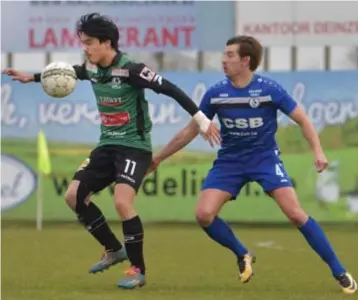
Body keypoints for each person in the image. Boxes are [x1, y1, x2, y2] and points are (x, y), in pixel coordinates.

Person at [2, 13, 221, 289]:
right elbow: (71, 73)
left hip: (135, 148)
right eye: (83, 42)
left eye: (89, 42)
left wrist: (202, 120)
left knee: (122, 202)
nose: (85, 48)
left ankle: (138, 270)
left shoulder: (131, 69)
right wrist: (30, 77)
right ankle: (113, 249)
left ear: (107, 43)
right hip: (106, 146)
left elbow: (171, 89)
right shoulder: (91, 67)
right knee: (73, 196)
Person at [147, 35, 357, 294]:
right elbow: (190, 131)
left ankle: (339, 271)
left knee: (294, 213)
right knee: (203, 215)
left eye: (230, 55)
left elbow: (303, 119)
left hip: (265, 160)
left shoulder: (269, 90)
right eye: (224, 54)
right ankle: (242, 252)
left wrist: (318, 151)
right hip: (230, 163)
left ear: (246, 61)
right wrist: (158, 157)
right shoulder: (215, 94)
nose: (224, 60)